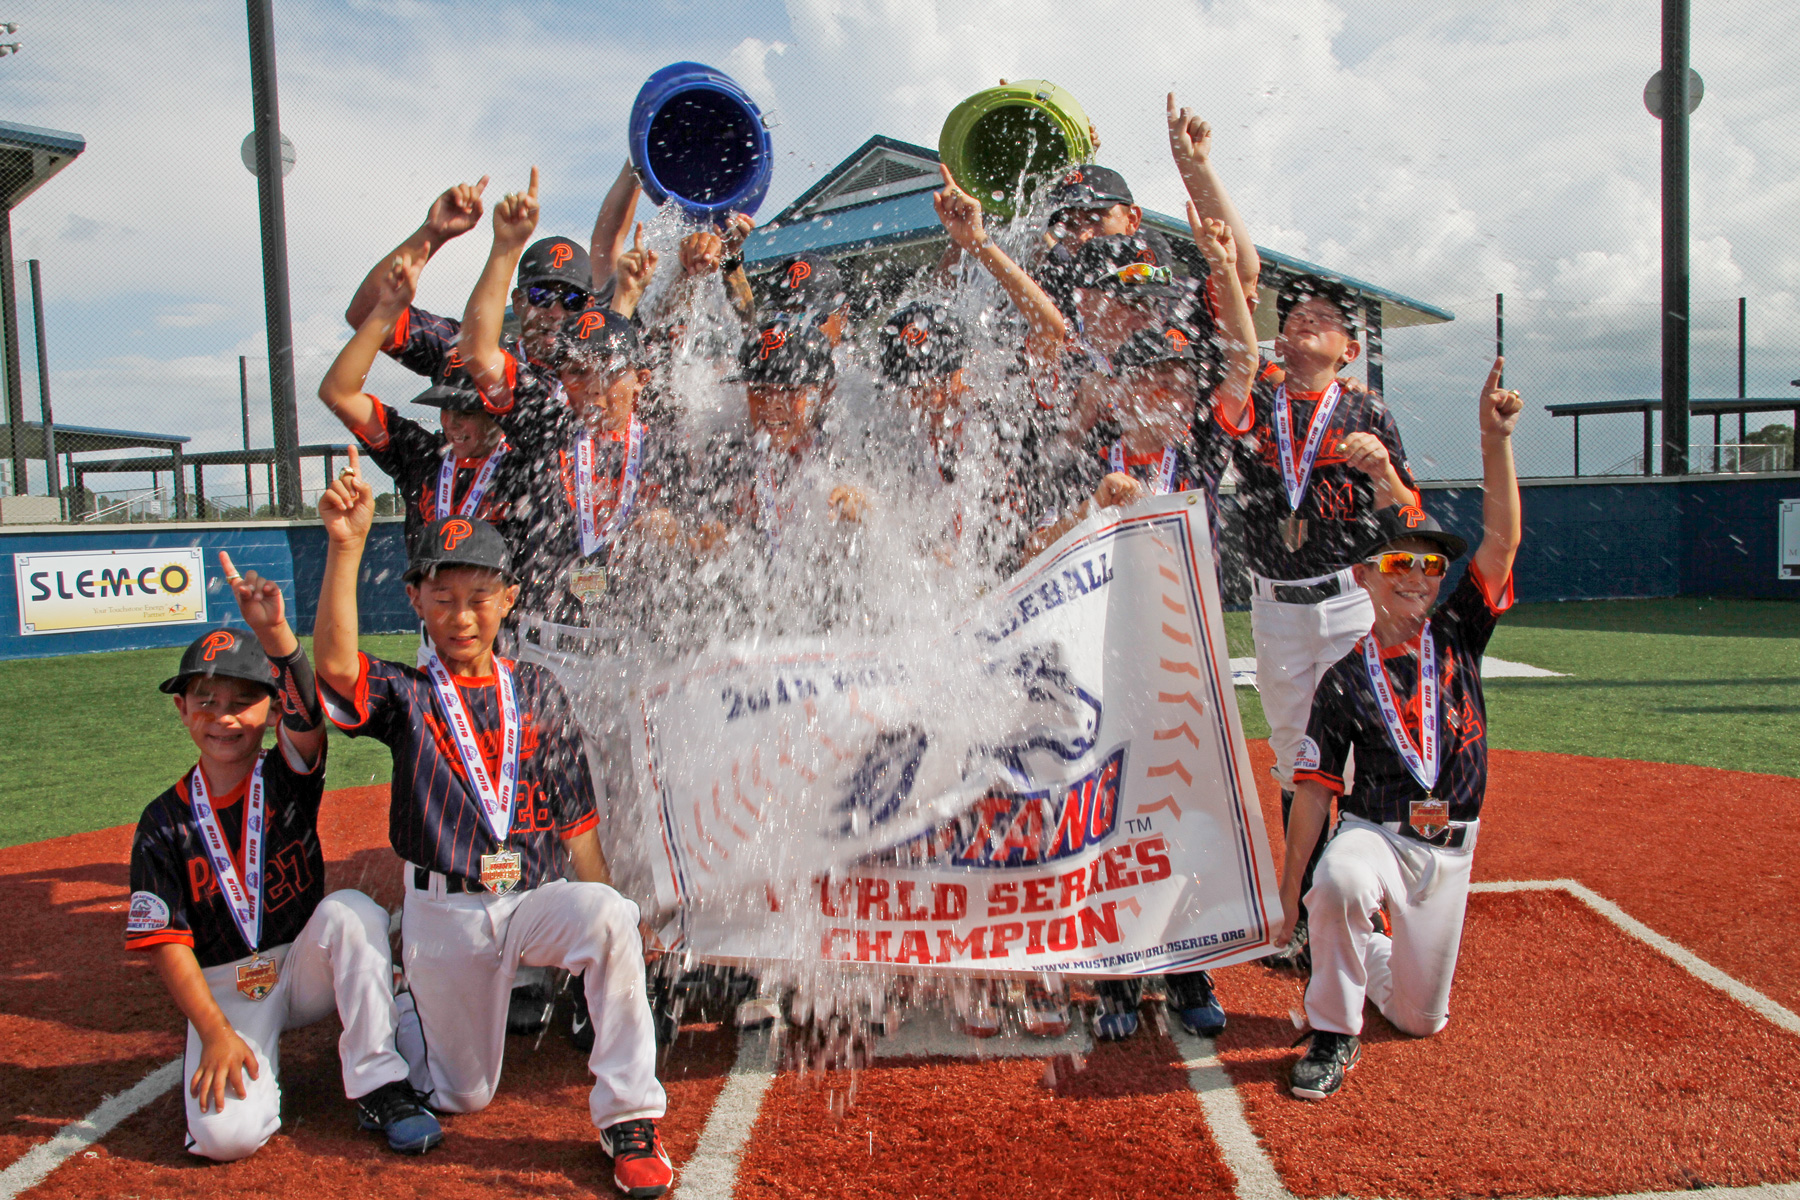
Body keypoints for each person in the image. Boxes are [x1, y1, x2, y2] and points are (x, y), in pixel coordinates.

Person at [311, 462, 674, 1198]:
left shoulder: (538, 688)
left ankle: (630, 1118)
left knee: (609, 914)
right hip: (446, 909)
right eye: (442, 598)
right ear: (415, 600)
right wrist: (345, 549)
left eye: (479, 597)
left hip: (532, 899)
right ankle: (399, 1000)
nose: (463, 615)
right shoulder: (407, 692)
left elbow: (578, 824)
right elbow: (337, 670)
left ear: (510, 598)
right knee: (462, 1095)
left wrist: (620, 924)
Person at [1021, 215, 1261, 1042]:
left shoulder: (1198, 446)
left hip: (1186, 650)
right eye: (1147, 380)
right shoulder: (1090, 452)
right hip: (1106, 650)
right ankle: (1119, 979)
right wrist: (1094, 506)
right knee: (1113, 805)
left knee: (1190, 805)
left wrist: (1225, 266)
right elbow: (1034, 548)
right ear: (1122, 388)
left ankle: (1190, 964)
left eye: (1173, 380)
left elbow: (1243, 361)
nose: (1164, 392)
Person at [126, 557, 440, 1161]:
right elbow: (167, 943)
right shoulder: (162, 822)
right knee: (228, 1139)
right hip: (224, 990)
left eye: (244, 703)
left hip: (301, 963)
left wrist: (277, 637)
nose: (223, 718)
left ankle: (381, 1084)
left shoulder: (288, 774)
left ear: (270, 713)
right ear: (182, 709)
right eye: (206, 700)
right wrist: (213, 1031)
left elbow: (309, 715)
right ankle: (258, 1056)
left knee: (352, 912)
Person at [1280, 359, 1523, 1100]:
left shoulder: (1457, 632)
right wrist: (1290, 895)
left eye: (1427, 564)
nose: (1417, 576)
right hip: (1377, 833)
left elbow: (1503, 543)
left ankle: (1369, 952)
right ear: (1365, 575)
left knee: (1421, 1020)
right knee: (1342, 880)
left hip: (1450, 845)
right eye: (1398, 563)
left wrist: (1494, 440)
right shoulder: (1345, 677)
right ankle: (1331, 1030)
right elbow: (1316, 794)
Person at [1230, 274, 1422, 968]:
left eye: (1322, 317)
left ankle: (1361, 905)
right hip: (1277, 603)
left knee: (1360, 751)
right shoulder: (1254, 401)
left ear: (1350, 345)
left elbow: (1410, 516)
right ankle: (1307, 915)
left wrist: (1385, 478)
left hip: (1347, 599)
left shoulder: (1367, 412)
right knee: (1293, 761)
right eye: (1295, 315)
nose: (1305, 322)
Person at [319, 252, 523, 556]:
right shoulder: (421, 455)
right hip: (426, 602)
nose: (452, 423)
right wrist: (385, 312)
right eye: (445, 408)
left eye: (466, 412)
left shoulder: (524, 467)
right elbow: (339, 393)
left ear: (496, 412)